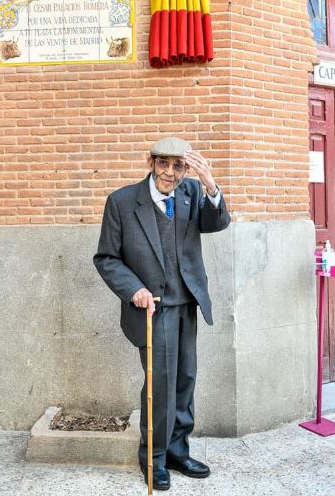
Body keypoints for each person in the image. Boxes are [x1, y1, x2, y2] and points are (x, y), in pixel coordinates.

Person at [93, 136, 230, 490]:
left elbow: (217, 223)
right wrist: (133, 289)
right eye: (164, 164)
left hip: (186, 303)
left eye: (179, 166)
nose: (170, 173)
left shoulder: (190, 195)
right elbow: (107, 258)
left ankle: (177, 451)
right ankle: (152, 459)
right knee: (160, 386)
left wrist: (210, 183)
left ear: (186, 170)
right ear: (151, 162)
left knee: (185, 380)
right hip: (152, 309)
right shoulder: (122, 202)